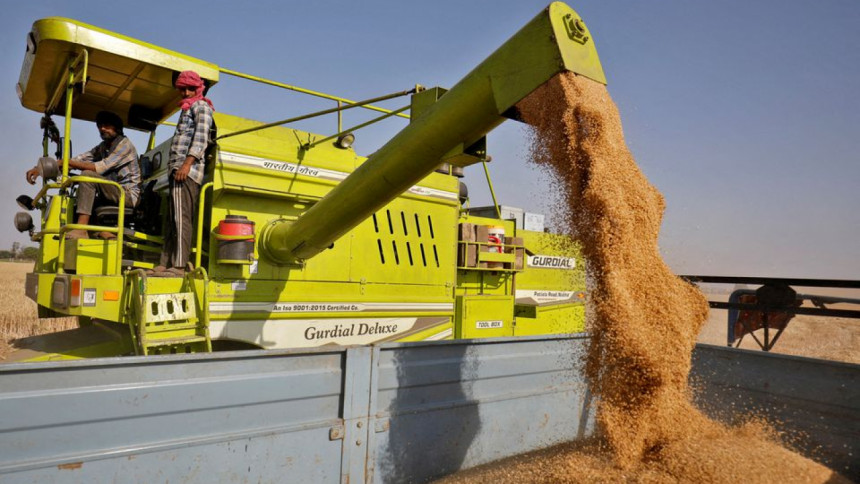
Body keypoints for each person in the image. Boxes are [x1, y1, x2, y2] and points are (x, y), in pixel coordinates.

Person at [26, 111, 141, 239]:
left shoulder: (124, 145)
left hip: (128, 195)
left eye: (107, 125)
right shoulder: (103, 147)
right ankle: (98, 232)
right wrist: (41, 168)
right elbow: (79, 159)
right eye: (100, 125)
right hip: (113, 191)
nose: (102, 128)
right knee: (77, 197)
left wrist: (66, 162)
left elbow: (99, 168)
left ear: (117, 128)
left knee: (88, 176)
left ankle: (81, 229)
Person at [151, 70, 214, 277]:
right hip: (177, 169)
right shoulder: (186, 109)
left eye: (190, 88)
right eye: (182, 89)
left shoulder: (201, 106)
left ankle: (178, 265)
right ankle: (165, 262)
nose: (185, 92)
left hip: (187, 170)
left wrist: (187, 164)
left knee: (181, 218)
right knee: (171, 219)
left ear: (198, 88)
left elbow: (201, 138)